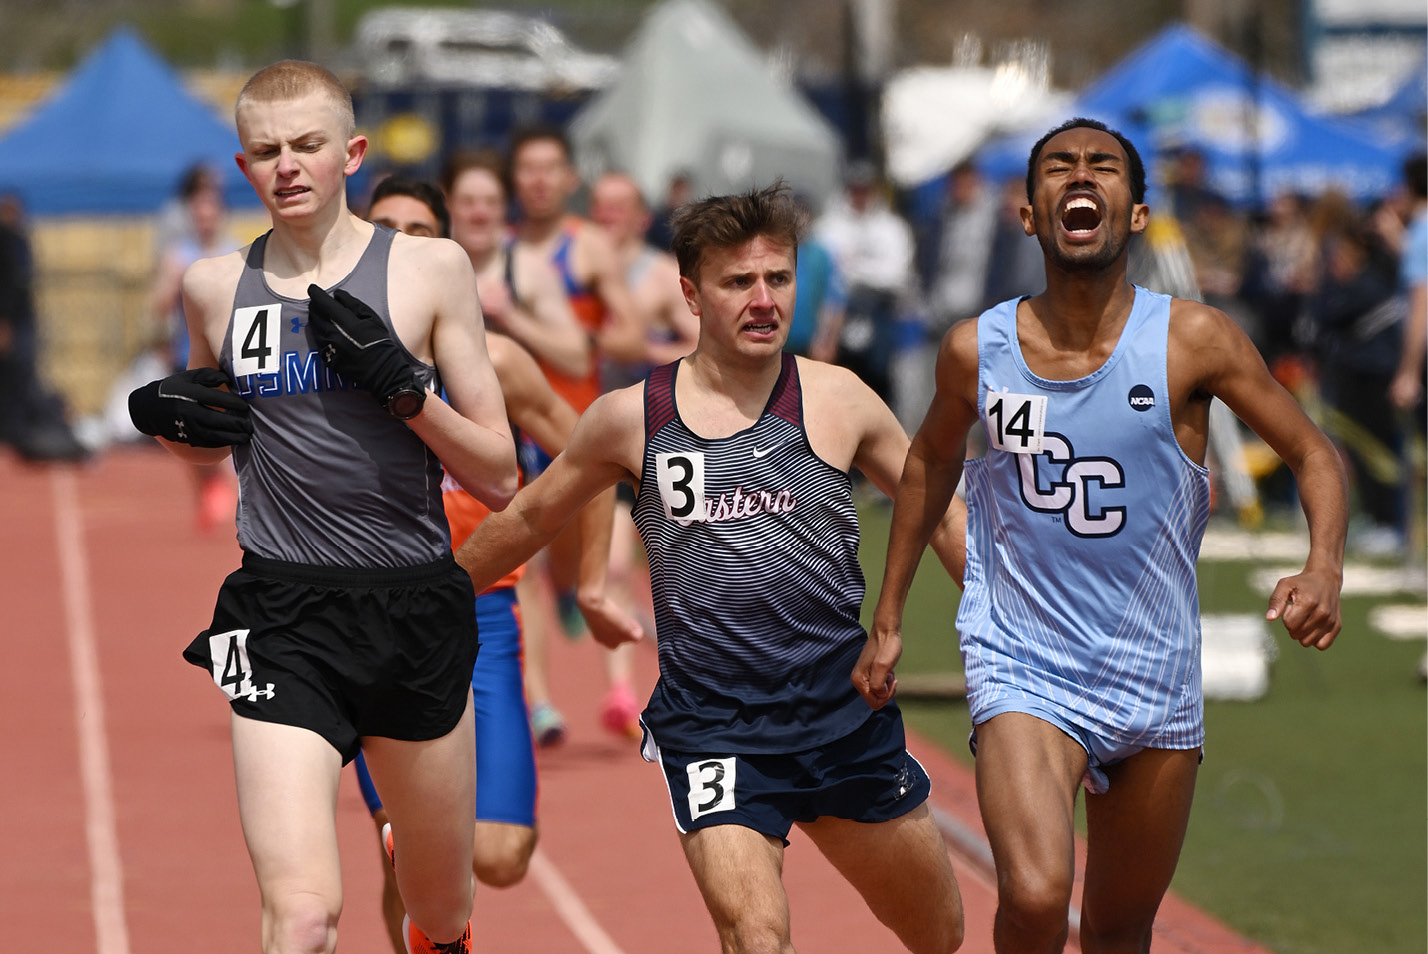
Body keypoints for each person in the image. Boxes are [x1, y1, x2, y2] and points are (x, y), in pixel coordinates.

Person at [862, 118, 1347, 954]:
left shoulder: (1195, 340)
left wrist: (1324, 566)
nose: (1080, 177)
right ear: (1029, 212)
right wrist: (892, 615)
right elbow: (927, 465)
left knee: (1120, 929)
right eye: (1059, 167)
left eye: (1101, 168)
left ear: (1133, 214)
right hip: (1025, 659)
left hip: (1153, 668)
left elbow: (1312, 452)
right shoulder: (976, 349)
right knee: (1040, 893)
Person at [455, 182, 966, 954]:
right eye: (738, 283)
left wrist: (1004, 624)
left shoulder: (840, 399)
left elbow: (938, 510)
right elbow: (529, 516)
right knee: (754, 936)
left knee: (941, 933)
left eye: (779, 280)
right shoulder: (634, 417)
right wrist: (423, 597)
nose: (763, 301)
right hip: (714, 728)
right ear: (692, 294)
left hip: (842, 715)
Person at [126, 60, 518, 954]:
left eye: (307, 145)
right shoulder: (212, 288)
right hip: (281, 611)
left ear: (353, 153)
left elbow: (501, 476)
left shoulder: (429, 270)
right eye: (266, 151)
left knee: (441, 908)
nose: (288, 166)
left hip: (414, 610)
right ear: (242, 166)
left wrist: (404, 391)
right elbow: (211, 438)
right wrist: (162, 422)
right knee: (302, 915)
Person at [355, 175, 640, 951]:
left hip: (480, 613)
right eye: (386, 228)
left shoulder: (496, 360)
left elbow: (591, 455)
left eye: (421, 229)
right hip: (368, 617)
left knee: (503, 855)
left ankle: (422, 871)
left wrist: (588, 582)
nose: (403, 243)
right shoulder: (326, 357)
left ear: (447, 248)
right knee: (404, 841)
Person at [507, 124, 648, 743]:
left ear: (569, 179)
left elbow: (633, 334)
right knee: (526, 568)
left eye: (550, 168)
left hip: (580, 428)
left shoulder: (587, 247)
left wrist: (572, 338)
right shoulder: (498, 251)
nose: (539, 180)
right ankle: (540, 703)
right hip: (514, 428)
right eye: (527, 168)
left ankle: (615, 681)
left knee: (592, 560)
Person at [149, 164, 242, 531]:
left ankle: (227, 489)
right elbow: (158, 304)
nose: (205, 218)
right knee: (185, 430)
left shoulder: (233, 252)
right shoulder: (179, 254)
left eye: (211, 210)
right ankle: (205, 490)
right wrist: (172, 284)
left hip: (225, 356)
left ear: (219, 214)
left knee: (221, 426)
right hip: (186, 356)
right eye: (198, 212)